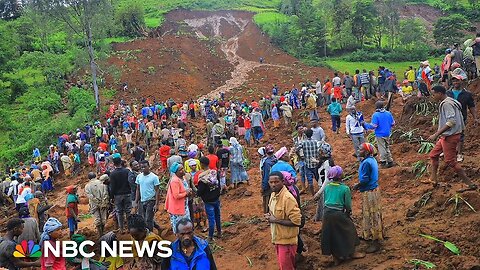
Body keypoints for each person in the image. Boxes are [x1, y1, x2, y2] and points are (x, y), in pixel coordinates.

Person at [427, 85, 477, 192]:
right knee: (433, 155)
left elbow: (451, 122)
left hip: (450, 136)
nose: (433, 96)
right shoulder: (450, 101)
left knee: (450, 161)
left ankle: (470, 184)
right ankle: (433, 179)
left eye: (434, 94)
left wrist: (436, 134)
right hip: (446, 136)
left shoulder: (447, 104)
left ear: (440, 93)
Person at [320, 166, 364, 265]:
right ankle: (351, 252)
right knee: (350, 230)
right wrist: (348, 213)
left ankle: (336, 257)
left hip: (327, 214)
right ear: (340, 176)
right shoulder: (344, 188)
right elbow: (347, 205)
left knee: (331, 234)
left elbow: (325, 201)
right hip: (338, 213)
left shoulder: (327, 187)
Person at [265, 171, 302, 270]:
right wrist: (269, 216)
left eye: (276, 182)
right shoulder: (273, 195)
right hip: (278, 238)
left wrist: (275, 220)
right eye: (271, 182)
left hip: (287, 243)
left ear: (282, 182)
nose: (273, 184)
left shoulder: (288, 198)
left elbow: (297, 221)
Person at [353, 143, 385, 253]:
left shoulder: (366, 163)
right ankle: (376, 235)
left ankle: (375, 241)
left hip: (369, 191)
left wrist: (357, 185)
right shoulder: (371, 160)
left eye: (361, 149)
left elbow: (365, 179)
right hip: (374, 189)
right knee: (375, 213)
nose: (359, 150)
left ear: (366, 152)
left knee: (371, 215)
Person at [446, 68, 478, 162]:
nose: (455, 82)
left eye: (457, 80)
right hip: (449, 117)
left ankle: (459, 153)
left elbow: (471, 106)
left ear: (461, 81)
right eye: (454, 80)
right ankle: (449, 151)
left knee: (460, 136)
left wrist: (475, 117)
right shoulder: (448, 93)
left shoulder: (467, 94)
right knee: (448, 134)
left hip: (461, 117)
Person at [196, 157, 222, 242]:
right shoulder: (214, 172)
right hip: (216, 198)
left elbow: (200, 191)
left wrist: (196, 191)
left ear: (202, 164)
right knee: (217, 216)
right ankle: (219, 232)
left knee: (211, 219)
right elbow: (219, 184)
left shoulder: (202, 177)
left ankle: (210, 237)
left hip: (208, 201)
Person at [364, 101, 395, 168]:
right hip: (387, 133)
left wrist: (365, 125)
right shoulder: (388, 113)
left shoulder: (376, 115)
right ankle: (390, 161)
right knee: (387, 147)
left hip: (380, 134)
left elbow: (373, 126)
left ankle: (383, 162)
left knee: (382, 148)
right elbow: (393, 123)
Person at [165, 163, 192, 233]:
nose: (183, 170)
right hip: (177, 208)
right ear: (176, 172)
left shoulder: (182, 178)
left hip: (183, 206)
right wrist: (186, 193)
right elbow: (176, 196)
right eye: (180, 170)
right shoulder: (175, 181)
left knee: (185, 225)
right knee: (179, 227)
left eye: (183, 168)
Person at [135, 160, 161, 232]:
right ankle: (158, 228)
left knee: (148, 220)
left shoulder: (154, 177)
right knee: (144, 218)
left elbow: (157, 190)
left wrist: (156, 204)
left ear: (149, 167)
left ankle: (150, 235)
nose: (143, 169)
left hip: (151, 200)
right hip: (142, 200)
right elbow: (138, 189)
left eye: (145, 167)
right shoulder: (139, 177)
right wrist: (136, 201)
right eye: (141, 167)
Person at [109, 157, 132, 233]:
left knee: (119, 212)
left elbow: (112, 187)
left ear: (113, 164)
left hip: (118, 195)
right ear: (121, 162)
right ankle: (129, 228)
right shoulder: (127, 171)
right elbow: (130, 182)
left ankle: (121, 229)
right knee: (128, 211)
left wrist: (111, 197)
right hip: (127, 193)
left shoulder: (112, 174)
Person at [296, 129, 321, 195]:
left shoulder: (303, 143)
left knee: (310, 180)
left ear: (305, 135)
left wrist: (300, 156)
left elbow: (296, 150)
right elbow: (319, 150)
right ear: (312, 134)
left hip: (307, 163)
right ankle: (320, 191)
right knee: (317, 177)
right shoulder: (316, 142)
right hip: (315, 163)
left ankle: (313, 194)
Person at [85, 172, 110, 237]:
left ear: (89, 178)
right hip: (103, 203)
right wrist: (102, 202)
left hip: (94, 204)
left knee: (97, 219)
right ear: (95, 176)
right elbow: (105, 193)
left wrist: (97, 201)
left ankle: (100, 234)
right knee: (103, 219)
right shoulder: (102, 183)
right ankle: (103, 231)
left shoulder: (87, 186)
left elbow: (90, 196)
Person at [261, 145, 277, 213]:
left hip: (269, 184)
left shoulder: (267, 162)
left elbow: (266, 176)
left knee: (267, 200)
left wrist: (264, 187)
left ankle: (267, 215)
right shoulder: (276, 159)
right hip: (277, 182)